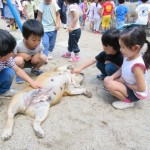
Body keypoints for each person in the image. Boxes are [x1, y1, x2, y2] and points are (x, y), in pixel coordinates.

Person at [104, 26, 150, 109]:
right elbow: (122, 69)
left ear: (136, 48)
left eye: (123, 47)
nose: (120, 50)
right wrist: (112, 77)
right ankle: (120, 92)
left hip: (135, 93)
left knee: (111, 85)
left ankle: (127, 101)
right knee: (107, 79)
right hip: (127, 84)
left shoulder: (137, 66)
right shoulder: (128, 56)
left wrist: (125, 83)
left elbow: (141, 88)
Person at [0, 29, 42, 97]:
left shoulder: (7, 58)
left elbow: (17, 70)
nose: (12, 54)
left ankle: (3, 91)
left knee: (10, 72)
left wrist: (32, 82)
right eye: (10, 52)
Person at [14, 19, 47, 84]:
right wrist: (21, 54)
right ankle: (20, 74)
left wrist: (37, 54)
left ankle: (35, 69)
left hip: (33, 62)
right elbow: (11, 55)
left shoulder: (39, 44)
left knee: (44, 57)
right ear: (25, 38)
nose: (37, 43)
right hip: (22, 63)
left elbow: (40, 51)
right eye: (34, 40)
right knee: (18, 60)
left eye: (39, 40)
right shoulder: (18, 45)